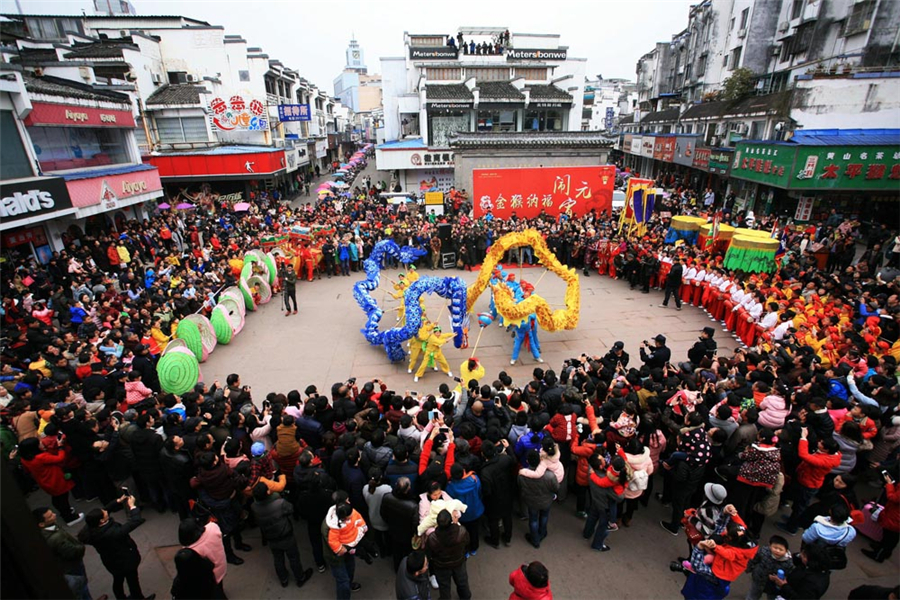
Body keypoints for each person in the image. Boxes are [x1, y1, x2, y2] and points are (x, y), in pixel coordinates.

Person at [78, 493, 154, 600]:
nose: (105, 511)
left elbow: (105, 509)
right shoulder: (112, 533)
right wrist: (132, 506)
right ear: (102, 521)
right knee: (133, 581)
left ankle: (121, 597)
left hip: (111, 561)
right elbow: (135, 521)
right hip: (125, 560)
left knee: (118, 580)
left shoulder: (91, 528)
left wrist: (119, 500)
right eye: (104, 513)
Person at [33, 507, 104, 600]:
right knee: (80, 587)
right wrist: (81, 546)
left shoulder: (50, 528)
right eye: (50, 516)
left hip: (67, 564)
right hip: (71, 566)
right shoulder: (55, 538)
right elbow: (73, 552)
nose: (54, 515)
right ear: (41, 524)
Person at [251, 482, 313, 588]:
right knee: (293, 557)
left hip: (271, 537)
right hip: (285, 535)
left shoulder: (254, 507)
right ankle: (300, 577)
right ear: (267, 492)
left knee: (278, 558)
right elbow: (291, 509)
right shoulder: (279, 503)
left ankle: (283, 579)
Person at [17, 437, 83, 526]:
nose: (41, 444)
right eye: (39, 444)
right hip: (55, 479)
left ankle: (65, 512)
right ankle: (70, 517)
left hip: (45, 482)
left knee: (57, 498)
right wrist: (60, 448)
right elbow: (60, 458)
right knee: (63, 498)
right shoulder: (41, 457)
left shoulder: (25, 459)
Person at [322, 492, 363, 599]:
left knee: (350, 568)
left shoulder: (347, 513)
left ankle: (349, 584)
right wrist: (353, 542)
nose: (349, 502)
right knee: (342, 581)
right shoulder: (328, 526)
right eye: (347, 500)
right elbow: (336, 546)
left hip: (348, 551)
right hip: (335, 557)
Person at [424, 509, 471, 600]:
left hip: (441, 566)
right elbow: (467, 543)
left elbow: (429, 554)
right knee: (462, 582)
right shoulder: (461, 531)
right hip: (459, 562)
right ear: (451, 521)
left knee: (444, 586)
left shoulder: (432, 538)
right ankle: (465, 597)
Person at [176, 518, 227, 599]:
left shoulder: (192, 550)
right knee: (219, 585)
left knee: (214, 591)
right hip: (221, 566)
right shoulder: (213, 528)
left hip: (210, 577)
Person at [519, 449, 560, 549]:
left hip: (531, 502)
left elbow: (521, 488)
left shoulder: (523, 475)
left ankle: (535, 539)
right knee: (544, 516)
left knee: (533, 520)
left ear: (527, 461)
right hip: (546, 501)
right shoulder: (549, 476)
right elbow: (556, 488)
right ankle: (542, 533)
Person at [744, 534, 793, 600]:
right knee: (754, 593)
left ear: (786, 551)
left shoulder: (788, 562)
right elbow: (754, 559)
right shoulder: (763, 551)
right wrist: (748, 568)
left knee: (772, 597)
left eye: (781, 549)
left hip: (773, 584)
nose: (777, 551)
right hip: (759, 578)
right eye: (775, 548)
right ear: (770, 546)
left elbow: (789, 575)